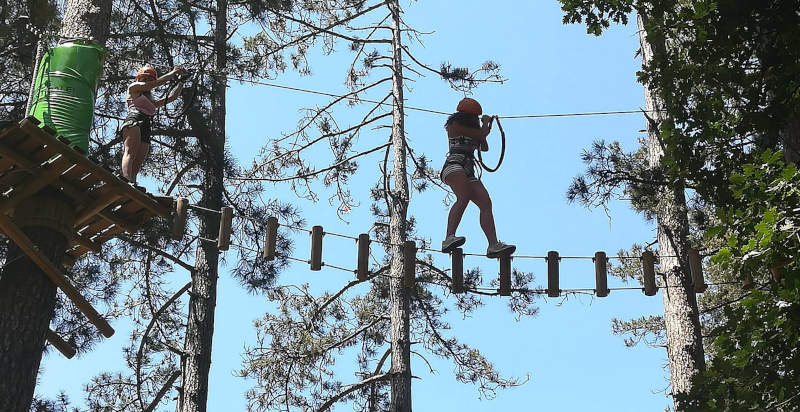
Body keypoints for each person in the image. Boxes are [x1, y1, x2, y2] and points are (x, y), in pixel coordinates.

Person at [440, 97, 516, 258]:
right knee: (464, 197)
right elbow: (482, 134)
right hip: (455, 165)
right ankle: (448, 237)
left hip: (468, 169)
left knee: (485, 202)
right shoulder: (455, 125)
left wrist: (483, 130)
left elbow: (484, 146)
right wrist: (486, 124)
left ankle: (493, 244)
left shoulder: (472, 129)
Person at [120, 65, 187, 183]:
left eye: (150, 79)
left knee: (139, 160)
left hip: (146, 123)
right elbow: (153, 84)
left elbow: (172, 97)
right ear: (139, 79)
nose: (147, 81)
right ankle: (126, 179)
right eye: (145, 78)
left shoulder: (150, 100)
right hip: (134, 118)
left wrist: (181, 82)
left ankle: (133, 182)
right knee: (130, 151)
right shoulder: (133, 88)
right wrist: (173, 72)